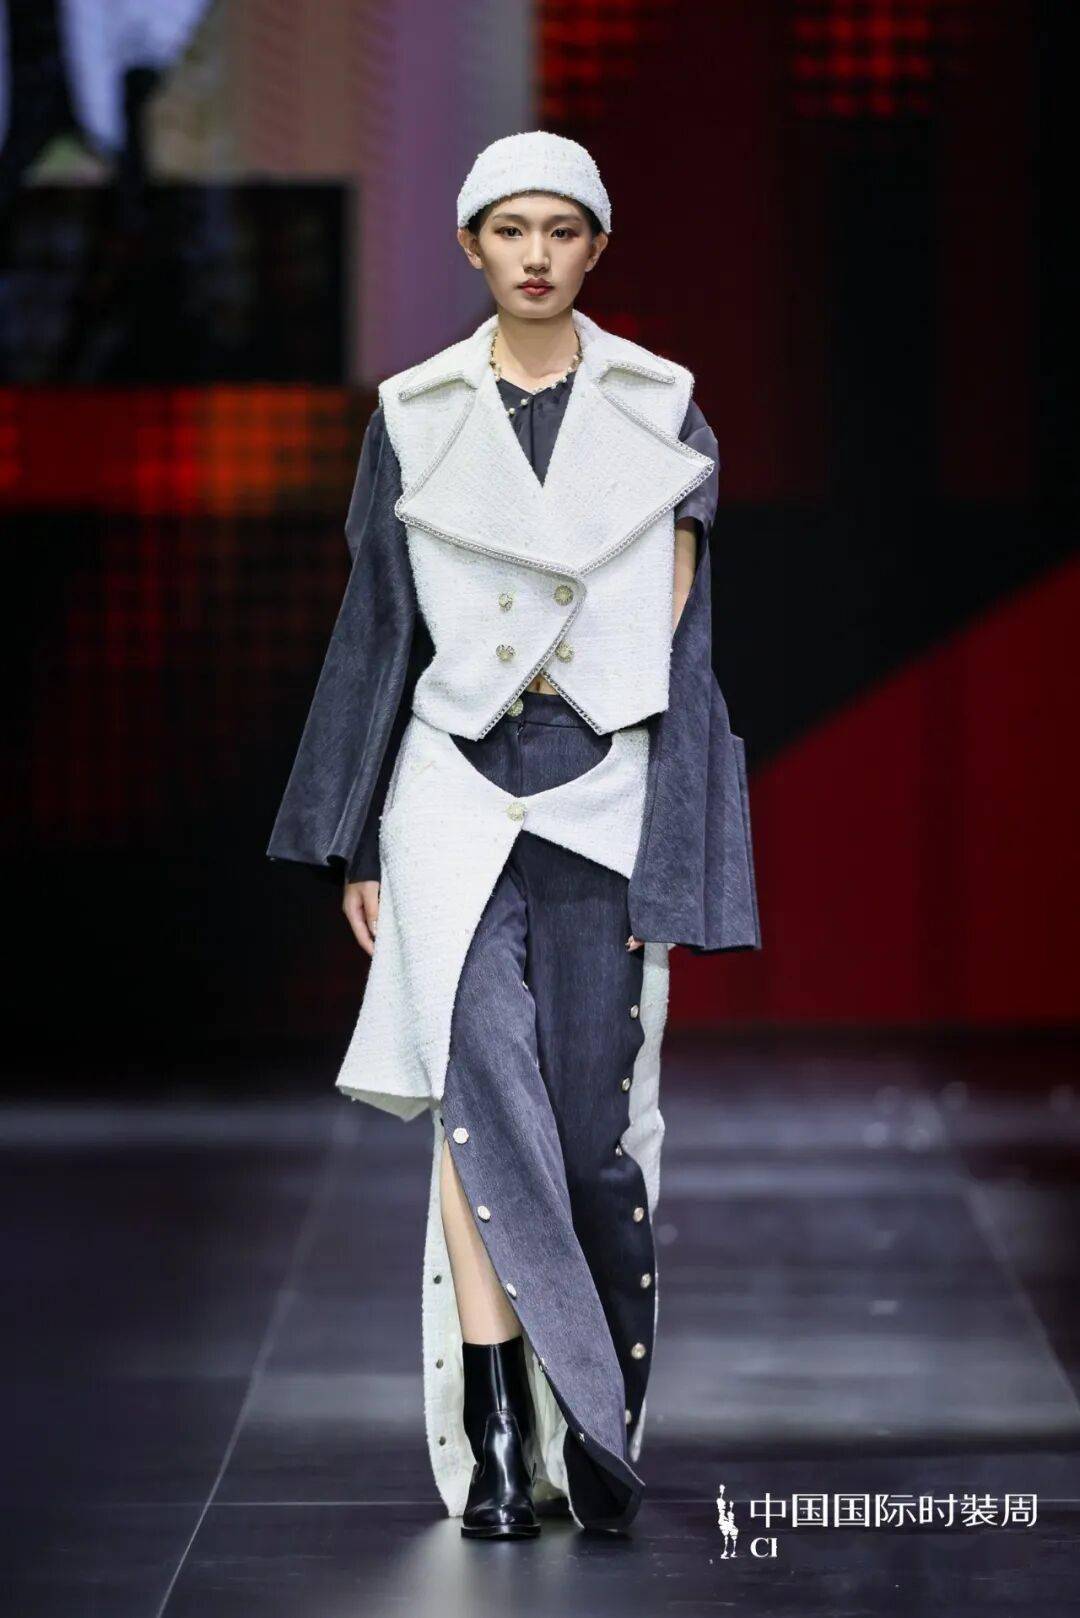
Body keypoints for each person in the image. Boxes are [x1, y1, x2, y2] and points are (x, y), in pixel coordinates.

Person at [266, 130, 761, 1539]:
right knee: (477, 1106)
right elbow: (380, 630)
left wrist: (685, 847)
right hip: (451, 792)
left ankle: (593, 1416)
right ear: (470, 245)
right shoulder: (415, 412)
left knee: (593, 1131)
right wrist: (361, 841)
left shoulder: (663, 407)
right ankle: (498, 1436)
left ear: (595, 247)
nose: (535, 255)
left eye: (561, 229)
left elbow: (685, 651)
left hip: (602, 787)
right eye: (509, 229)